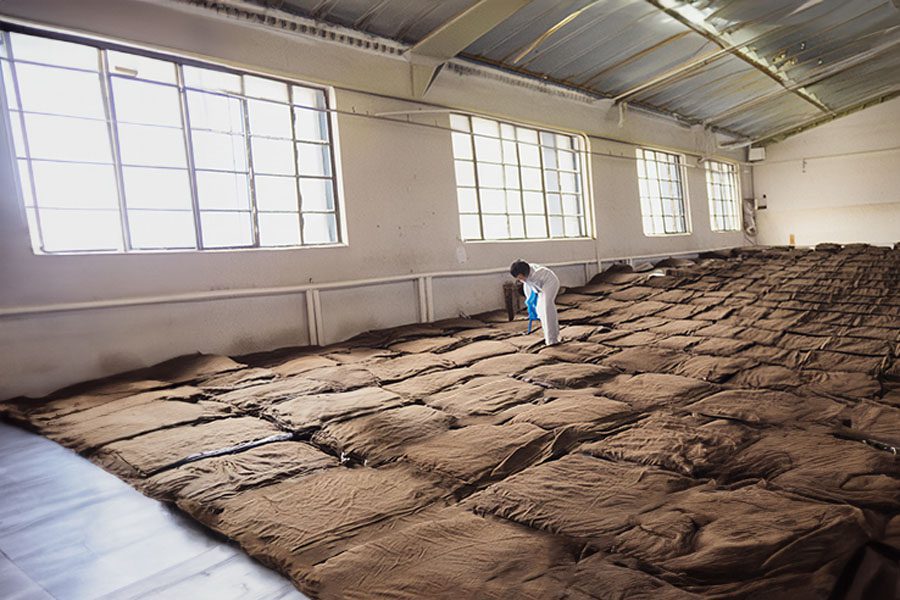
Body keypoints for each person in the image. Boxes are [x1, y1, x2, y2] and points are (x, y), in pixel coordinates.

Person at [510, 259, 560, 346]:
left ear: (524, 274)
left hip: (550, 282)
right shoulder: (525, 274)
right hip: (540, 286)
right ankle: (551, 335)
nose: (519, 279)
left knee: (547, 307)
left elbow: (533, 286)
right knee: (540, 311)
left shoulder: (537, 274)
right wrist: (530, 303)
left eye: (519, 277)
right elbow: (529, 288)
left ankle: (552, 340)